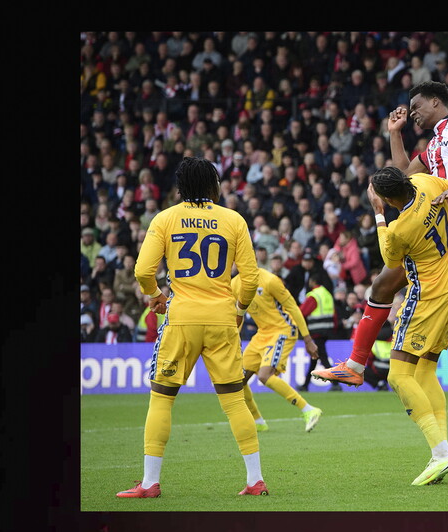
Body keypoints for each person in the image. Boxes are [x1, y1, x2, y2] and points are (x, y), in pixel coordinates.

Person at [313, 81, 448, 435]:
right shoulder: (432, 144)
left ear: (436, 101)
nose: (413, 112)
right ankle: (356, 363)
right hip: (439, 216)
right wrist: (394, 133)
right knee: (383, 282)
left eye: (417, 107)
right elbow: (403, 175)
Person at [118, 156, 268, 498]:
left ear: (180, 187)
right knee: (234, 402)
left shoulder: (166, 219)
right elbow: (250, 277)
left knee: (162, 398)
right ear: (214, 185)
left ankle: (150, 484)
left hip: (182, 319)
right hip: (221, 319)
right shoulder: (233, 220)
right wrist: (241, 308)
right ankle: (255, 480)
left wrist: (156, 296)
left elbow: (143, 271)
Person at [364, 166, 448, 485]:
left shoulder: (400, 228)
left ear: (388, 199)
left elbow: (389, 257)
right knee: (424, 372)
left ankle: (441, 453)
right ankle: (441, 454)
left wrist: (379, 215)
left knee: (399, 374)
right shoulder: (425, 181)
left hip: (427, 298)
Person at [232, 266, 323, 433]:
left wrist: (308, 339)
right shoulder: (234, 285)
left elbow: (293, 307)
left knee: (264, 375)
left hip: (283, 330)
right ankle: (258, 421)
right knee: (237, 380)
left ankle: (308, 409)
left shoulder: (270, 280)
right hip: (262, 334)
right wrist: (236, 337)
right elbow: (239, 314)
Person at [299, 272, 341, 392]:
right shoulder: (326, 293)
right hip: (327, 329)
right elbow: (334, 313)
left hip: (317, 330)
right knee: (315, 356)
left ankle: (335, 382)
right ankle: (306, 384)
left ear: (312, 282)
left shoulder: (314, 295)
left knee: (322, 356)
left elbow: (302, 312)